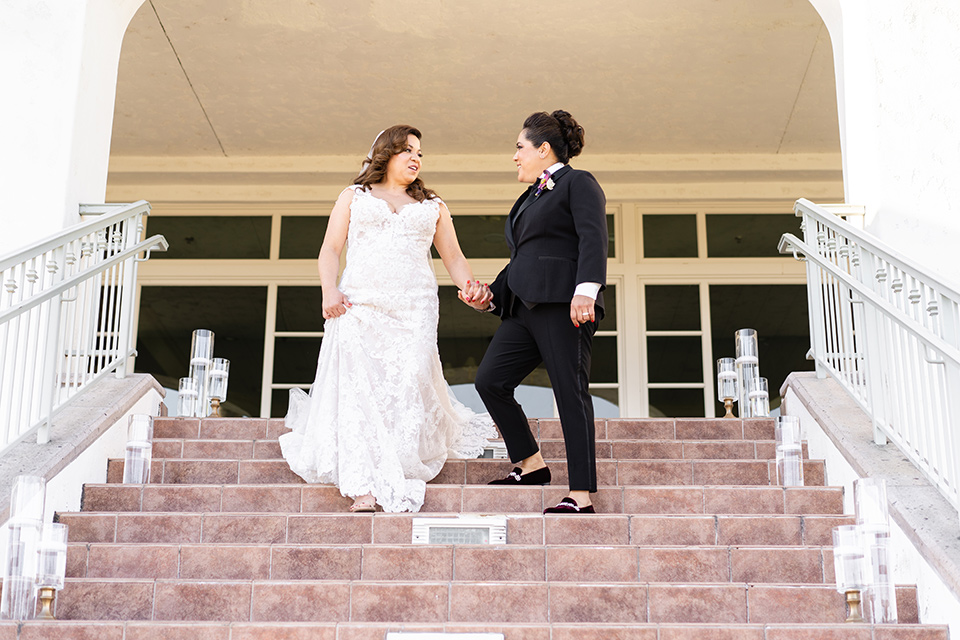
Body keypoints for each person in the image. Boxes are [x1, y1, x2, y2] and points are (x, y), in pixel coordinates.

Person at [279, 125, 496, 513]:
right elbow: (330, 249)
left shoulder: (433, 205)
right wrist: (330, 290)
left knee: (409, 382)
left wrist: (472, 290)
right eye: (407, 150)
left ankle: (396, 463)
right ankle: (366, 482)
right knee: (364, 391)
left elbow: (454, 258)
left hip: (415, 309)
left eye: (420, 153)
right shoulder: (354, 197)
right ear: (386, 154)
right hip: (361, 306)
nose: (416, 158)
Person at [466, 110, 607, 514]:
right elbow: (524, 259)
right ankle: (530, 464)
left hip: (565, 306)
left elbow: (593, 237)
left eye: (519, 148)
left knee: (569, 392)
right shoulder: (529, 197)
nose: (515, 157)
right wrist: (490, 296)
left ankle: (580, 495)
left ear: (543, 150)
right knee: (490, 380)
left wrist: (586, 291)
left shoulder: (578, 183)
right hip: (523, 309)